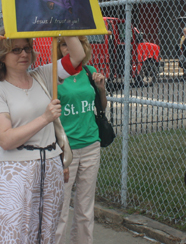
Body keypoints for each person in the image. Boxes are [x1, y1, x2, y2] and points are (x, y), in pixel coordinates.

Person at [0, 29, 85, 244]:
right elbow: (5, 139)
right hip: (16, 172)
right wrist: (45, 118)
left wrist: (64, 25)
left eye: (27, 48)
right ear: (1, 56)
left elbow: (77, 56)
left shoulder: (42, 76)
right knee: (14, 234)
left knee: (47, 232)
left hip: (50, 167)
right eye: (16, 50)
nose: (24, 54)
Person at [55, 37, 107, 244]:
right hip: (66, 149)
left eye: (74, 43)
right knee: (60, 209)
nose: (69, 48)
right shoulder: (55, 75)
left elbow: (101, 107)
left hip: (91, 145)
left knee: (85, 209)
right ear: (59, 48)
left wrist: (101, 88)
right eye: (64, 44)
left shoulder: (89, 71)